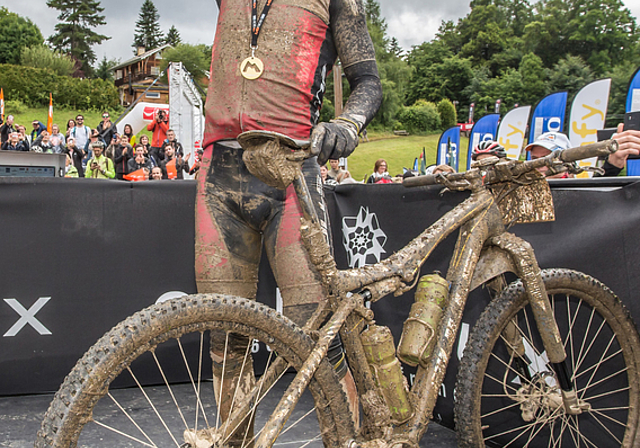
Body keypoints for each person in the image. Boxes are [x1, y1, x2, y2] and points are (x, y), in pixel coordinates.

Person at [196, 0, 382, 438]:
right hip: (218, 175)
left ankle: (345, 441)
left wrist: (349, 125)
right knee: (227, 337)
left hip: (292, 172)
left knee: (317, 334)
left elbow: (368, 81)